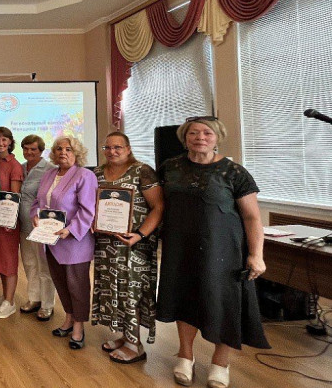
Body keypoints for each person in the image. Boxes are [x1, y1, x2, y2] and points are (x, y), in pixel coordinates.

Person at [157, 117, 268, 388]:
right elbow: (157, 206)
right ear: (184, 138)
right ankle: (185, 356)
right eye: (193, 133)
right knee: (183, 298)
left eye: (207, 133)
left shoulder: (234, 173)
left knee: (224, 303)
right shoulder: (170, 167)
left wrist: (256, 255)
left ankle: (220, 362)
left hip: (224, 251)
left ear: (218, 137)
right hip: (179, 248)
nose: (200, 138)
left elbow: (252, 217)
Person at [92, 132, 164, 364]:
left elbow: (158, 207)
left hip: (135, 244)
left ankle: (135, 345)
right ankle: (126, 336)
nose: (112, 151)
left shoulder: (142, 171)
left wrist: (140, 234)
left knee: (132, 290)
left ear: (128, 148)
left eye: (118, 147)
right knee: (114, 290)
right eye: (108, 147)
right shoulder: (97, 173)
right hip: (106, 243)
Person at [29, 136, 97, 350]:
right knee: (61, 283)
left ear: (77, 153)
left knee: (77, 286)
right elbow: (38, 202)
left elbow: (88, 210)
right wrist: (35, 216)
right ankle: (68, 318)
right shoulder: (49, 174)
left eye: (68, 149)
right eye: (59, 149)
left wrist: (70, 230)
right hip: (51, 240)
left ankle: (78, 326)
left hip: (75, 242)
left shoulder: (84, 175)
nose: (63, 152)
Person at [17, 134, 56, 321]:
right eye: (26, 148)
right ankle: (34, 298)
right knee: (29, 264)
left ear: (41, 150)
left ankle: (47, 304)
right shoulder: (21, 167)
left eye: (33, 149)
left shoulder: (50, 170)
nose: (29, 152)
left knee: (44, 267)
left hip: (41, 227)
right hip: (23, 225)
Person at [0, 127, 24, 319]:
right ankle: (5, 296)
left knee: (9, 260)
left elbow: (14, 196)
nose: (0, 143)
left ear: (10, 142)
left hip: (8, 220)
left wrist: (10, 220)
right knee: (0, 258)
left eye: (4, 140)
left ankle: (10, 302)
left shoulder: (15, 166)